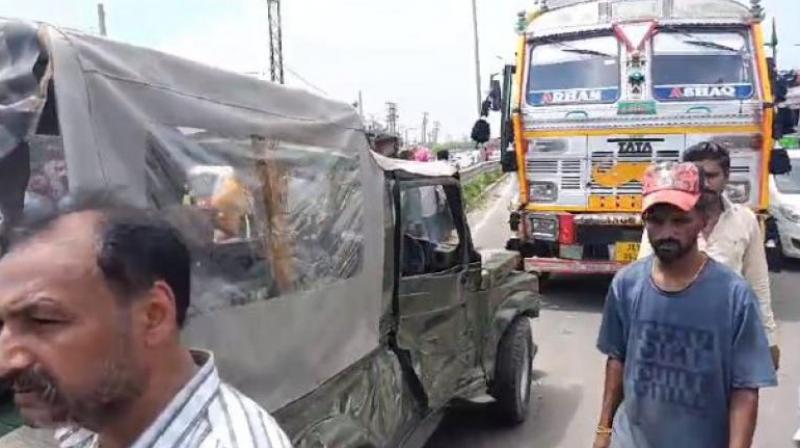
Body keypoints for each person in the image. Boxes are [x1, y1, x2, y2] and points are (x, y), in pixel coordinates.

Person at [0, 206, 292, 448]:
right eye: (2, 325)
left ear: (153, 316)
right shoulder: (93, 421)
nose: (6, 362)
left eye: (43, 320)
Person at [594, 162, 776, 448]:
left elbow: (745, 389)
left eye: (680, 221)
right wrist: (603, 432)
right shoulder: (626, 284)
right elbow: (617, 359)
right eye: (656, 220)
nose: (666, 232)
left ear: (702, 220)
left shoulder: (733, 296)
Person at [637, 142, 779, 369]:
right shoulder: (665, 223)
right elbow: (643, 281)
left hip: (726, 339)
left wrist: (769, 340)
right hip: (670, 336)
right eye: (697, 176)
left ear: (726, 176)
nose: (704, 184)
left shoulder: (744, 221)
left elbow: (758, 285)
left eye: (711, 175)